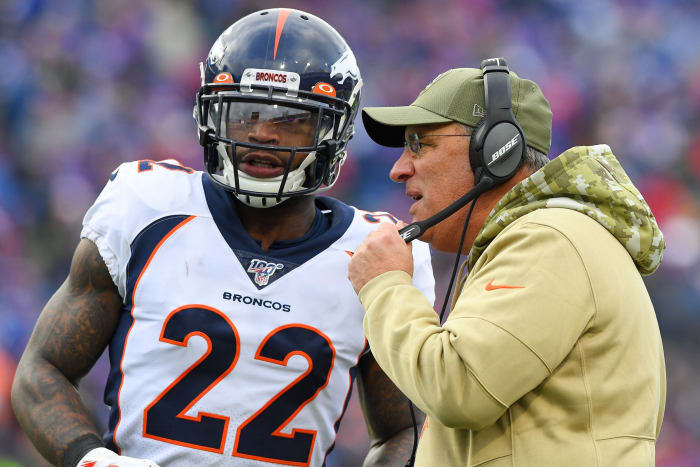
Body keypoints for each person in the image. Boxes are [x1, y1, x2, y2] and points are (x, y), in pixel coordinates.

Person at [11, 9, 435, 467]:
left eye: (291, 119)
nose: (262, 133)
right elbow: (42, 369)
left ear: (335, 131)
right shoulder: (146, 207)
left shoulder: (377, 252)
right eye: (245, 113)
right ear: (211, 114)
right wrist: (91, 458)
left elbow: (406, 431)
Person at [348, 59, 666, 466]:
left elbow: (457, 387)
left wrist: (385, 284)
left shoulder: (550, 240)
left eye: (419, 145)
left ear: (496, 150)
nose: (398, 169)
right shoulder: (551, 236)